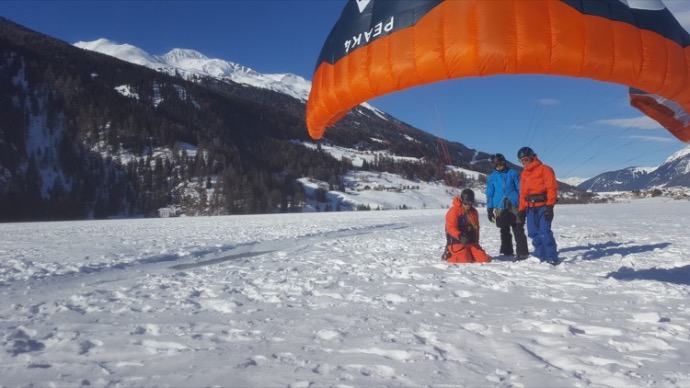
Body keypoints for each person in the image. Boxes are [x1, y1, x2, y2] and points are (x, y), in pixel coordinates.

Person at [516, 147, 559, 263]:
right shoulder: (524, 174)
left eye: (525, 159)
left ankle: (551, 257)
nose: (524, 162)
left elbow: (552, 188)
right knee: (533, 233)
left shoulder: (545, 169)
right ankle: (540, 255)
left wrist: (550, 206)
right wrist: (521, 210)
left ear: (532, 157)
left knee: (544, 232)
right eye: (521, 161)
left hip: (543, 206)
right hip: (530, 208)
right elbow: (523, 193)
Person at [485, 153, 529, 260]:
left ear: (504, 162)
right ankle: (506, 251)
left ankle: (522, 252)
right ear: (493, 165)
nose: (499, 166)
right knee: (504, 229)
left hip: (515, 204)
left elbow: (521, 189)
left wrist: (523, 205)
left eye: (501, 163)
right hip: (499, 206)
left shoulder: (513, 173)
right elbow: (489, 194)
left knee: (518, 228)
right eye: (496, 164)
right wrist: (489, 209)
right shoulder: (492, 177)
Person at [443, 189, 491, 264]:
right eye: (465, 203)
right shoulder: (454, 211)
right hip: (456, 241)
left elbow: (476, 228)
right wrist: (460, 235)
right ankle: (449, 254)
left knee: (484, 259)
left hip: (470, 241)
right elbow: (450, 228)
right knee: (464, 259)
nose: (468, 206)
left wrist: (476, 240)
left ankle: (469, 253)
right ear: (462, 200)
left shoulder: (474, 212)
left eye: (470, 203)